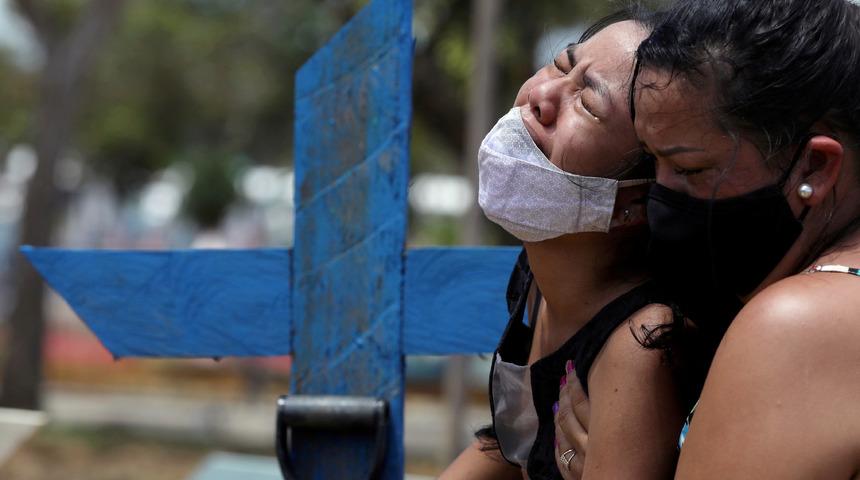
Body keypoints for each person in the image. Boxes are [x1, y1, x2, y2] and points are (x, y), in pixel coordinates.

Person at [554, 0, 860, 478]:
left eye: (691, 169)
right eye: (650, 163)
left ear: (816, 166)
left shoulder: (795, 324)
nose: (660, 200)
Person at [440, 8, 698, 480]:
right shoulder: (540, 273)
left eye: (589, 104)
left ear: (633, 202)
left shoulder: (640, 344)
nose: (540, 95)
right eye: (560, 67)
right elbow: (513, 439)